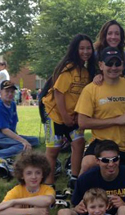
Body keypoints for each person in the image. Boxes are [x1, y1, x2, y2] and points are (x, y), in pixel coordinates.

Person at [42, 34, 96, 188]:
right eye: (82, 48)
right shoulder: (68, 68)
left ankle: (74, 177)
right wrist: (64, 116)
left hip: (73, 116)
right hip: (54, 114)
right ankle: (49, 184)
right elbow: (59, 93)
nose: (85, 51)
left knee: (79, 143)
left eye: (88, 48)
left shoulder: (86, 72)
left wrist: (77, 114)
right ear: (75, 50)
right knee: (53, 150)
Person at [76, 47, 125, 172]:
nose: (114, 67)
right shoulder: (91, 89)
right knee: (87, 164)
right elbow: (82, 123)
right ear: (101, 65)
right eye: (109, 63)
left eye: (117, 63)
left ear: (122, 66)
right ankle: (78, 190)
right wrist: (116, 120)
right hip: (101, 143)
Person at [0, 81, 40, 165]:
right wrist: (22, 141)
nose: (10, 94)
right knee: (22, 146)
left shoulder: (13, 104)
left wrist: (17, 138)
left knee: (35, 140)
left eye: (12, 91)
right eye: (7, 91)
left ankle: (1, 147)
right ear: (0, 92)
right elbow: (4, 130)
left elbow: (13, 125)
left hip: (3, 134)